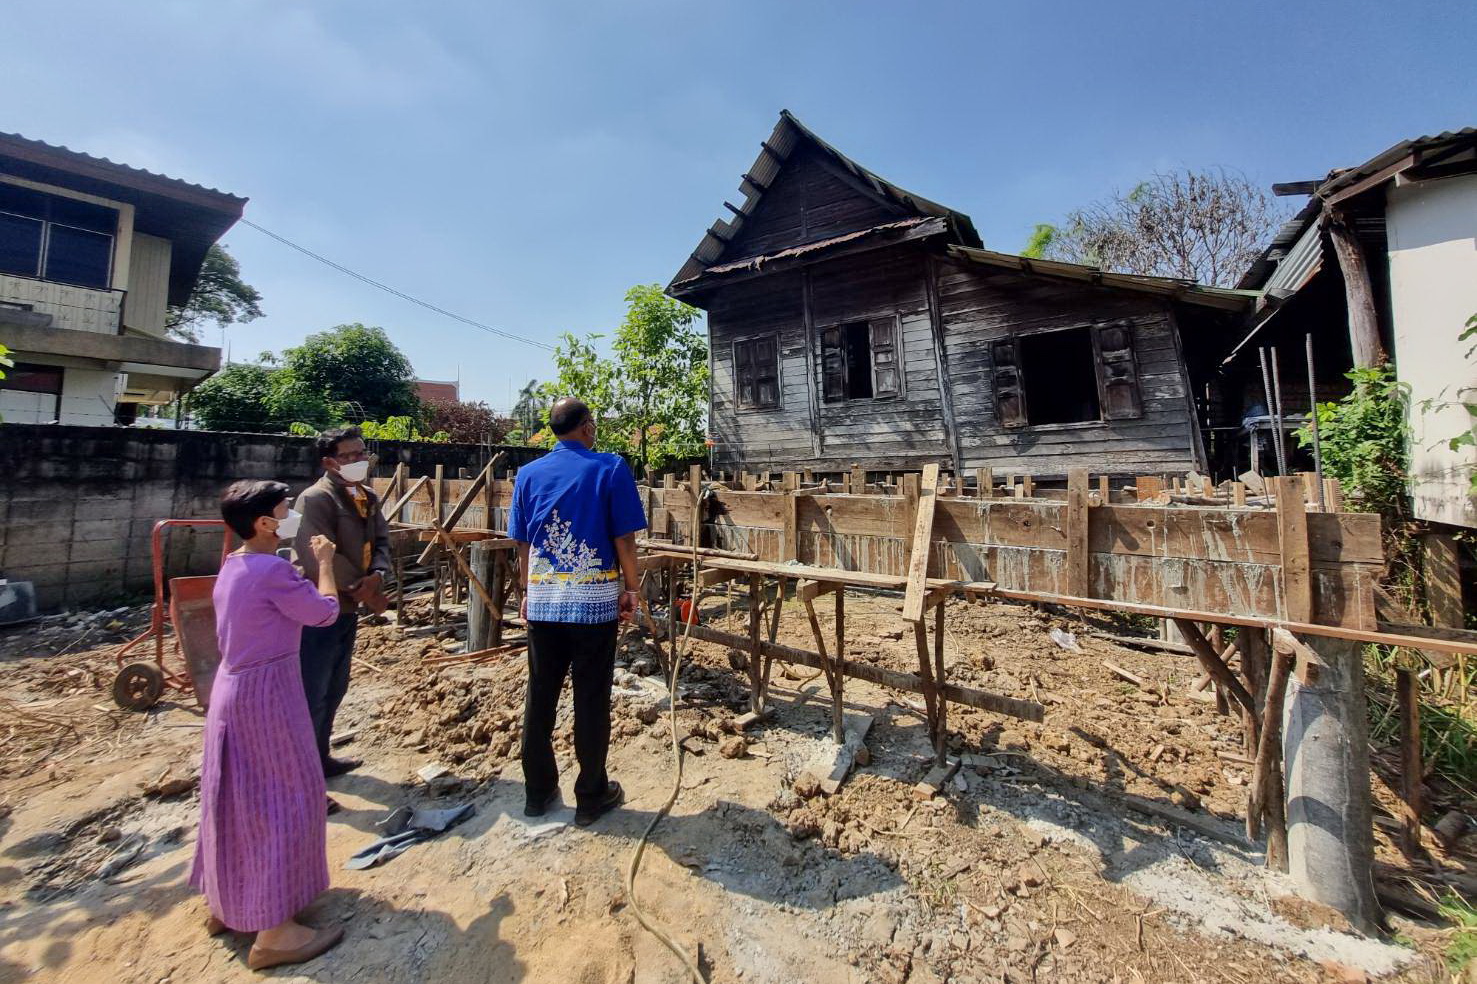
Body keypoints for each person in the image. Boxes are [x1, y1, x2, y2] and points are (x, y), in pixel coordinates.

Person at [191, 480, 345, 972]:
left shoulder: (234, 567)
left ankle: (228, 902)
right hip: (268, 695)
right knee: (287, 797)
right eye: (284, 511)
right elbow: (324, 613)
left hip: (231, 689)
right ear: (263, 524)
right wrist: (324, 564)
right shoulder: (272, 570)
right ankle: (274, 933)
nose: (291, 518)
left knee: (237, 796)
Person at [508, 397, 647, 826]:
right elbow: (624, 538)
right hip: (593, 603)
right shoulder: (610, 468)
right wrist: (632, 587)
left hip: (545, 603)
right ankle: (590, 796)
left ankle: (537, 792)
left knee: (541, 694)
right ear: (586, 426)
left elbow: (523, 545)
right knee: (590, 699)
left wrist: (528, 591)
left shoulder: (528, 476)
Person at [293, 426, 392, 778]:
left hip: (349, 607)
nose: (357, 461)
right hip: (321, 609)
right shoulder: (316, 499)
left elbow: (381, 540)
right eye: (348, 456)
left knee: (336, 685)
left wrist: (378, 575)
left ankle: (321, 756)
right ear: (329, 461)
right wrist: (362, 588)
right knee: (313, 688)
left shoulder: (366, 496)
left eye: (360, 453)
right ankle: (305, 767)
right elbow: (318, 554)